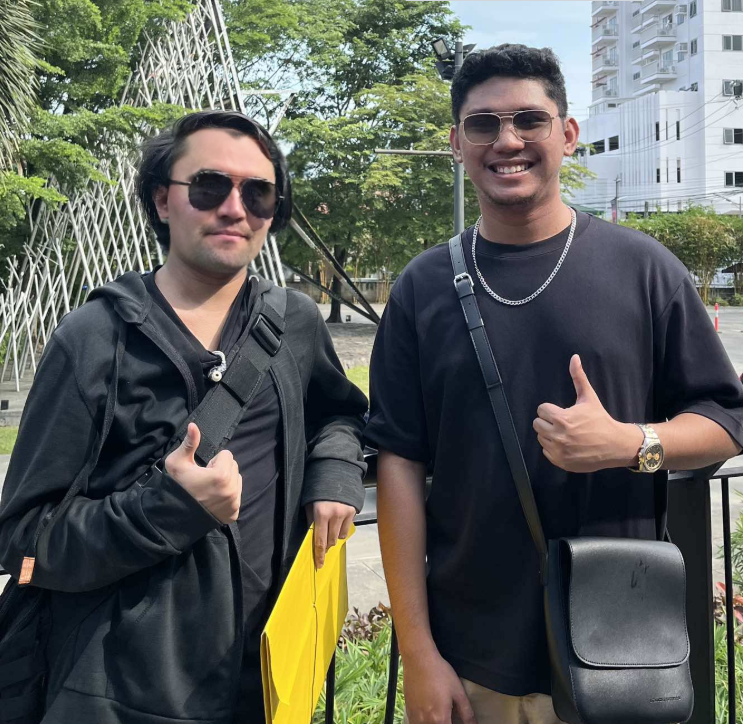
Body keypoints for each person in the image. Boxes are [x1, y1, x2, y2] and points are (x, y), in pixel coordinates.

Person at [365, 44, 743, 724]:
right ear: (456, 144)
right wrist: (417, 652)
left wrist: (630, 444)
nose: (506, 140)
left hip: (622, 641)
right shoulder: (422, 288)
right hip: (470, 654)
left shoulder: (643, 269)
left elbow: (725, 419)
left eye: (529, 120)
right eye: (483, 124)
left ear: (567, 134)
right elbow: (398, 464)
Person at [0, 110, 367, 724]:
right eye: (208, 186)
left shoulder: (294, 323)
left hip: (266, 680)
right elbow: (22, 542)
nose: (234, 208)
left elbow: (339, 415)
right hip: (120, 695)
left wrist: (333, 475)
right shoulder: (94, 338)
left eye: (258, 192)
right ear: (161, 200)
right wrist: (167, 510)